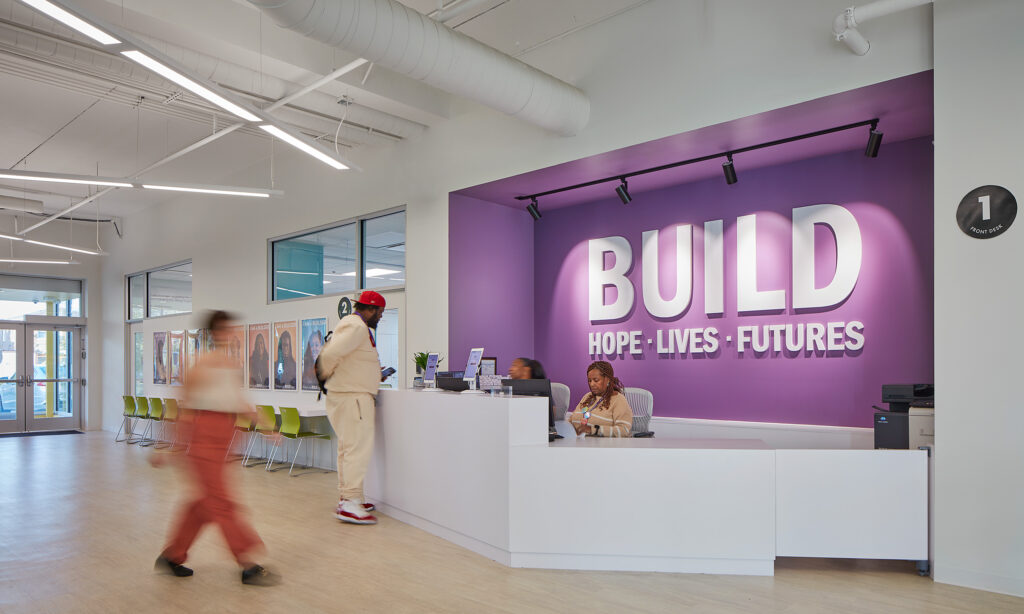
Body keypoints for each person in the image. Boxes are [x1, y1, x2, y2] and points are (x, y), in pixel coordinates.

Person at [153, 310, 279, 586]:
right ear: (215, 333)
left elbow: (238, 401)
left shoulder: (229, 365)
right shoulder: (200, 365)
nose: (231, 334)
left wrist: (266, 426)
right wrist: (168, 447)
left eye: (232, 330)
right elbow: (182, 406)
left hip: (224, 439)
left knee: (204, 504)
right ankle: (247, 562)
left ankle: (173, 555)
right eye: (226, 330)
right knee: (221, 503)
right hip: (203, 440)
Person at [317, 291, 388, 525]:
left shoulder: (355, 326)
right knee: (357, 449)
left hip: (350, 395)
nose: (380, 318)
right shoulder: (356, 326)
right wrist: (324, 378)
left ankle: (350, 496)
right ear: (371, 309)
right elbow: (330, 355)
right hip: (352, 396)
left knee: (348, 449)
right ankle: (349, 503)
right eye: (380, 313)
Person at [567, 361, 633, 437]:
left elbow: (624, 430)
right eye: (589, 380)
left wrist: (593, 430)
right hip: (578, 444)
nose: (591, 384)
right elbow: (572, 420)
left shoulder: (618, 400)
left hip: (604, 447)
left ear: (607, 380)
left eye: (596, 380)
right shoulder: (587, 396)